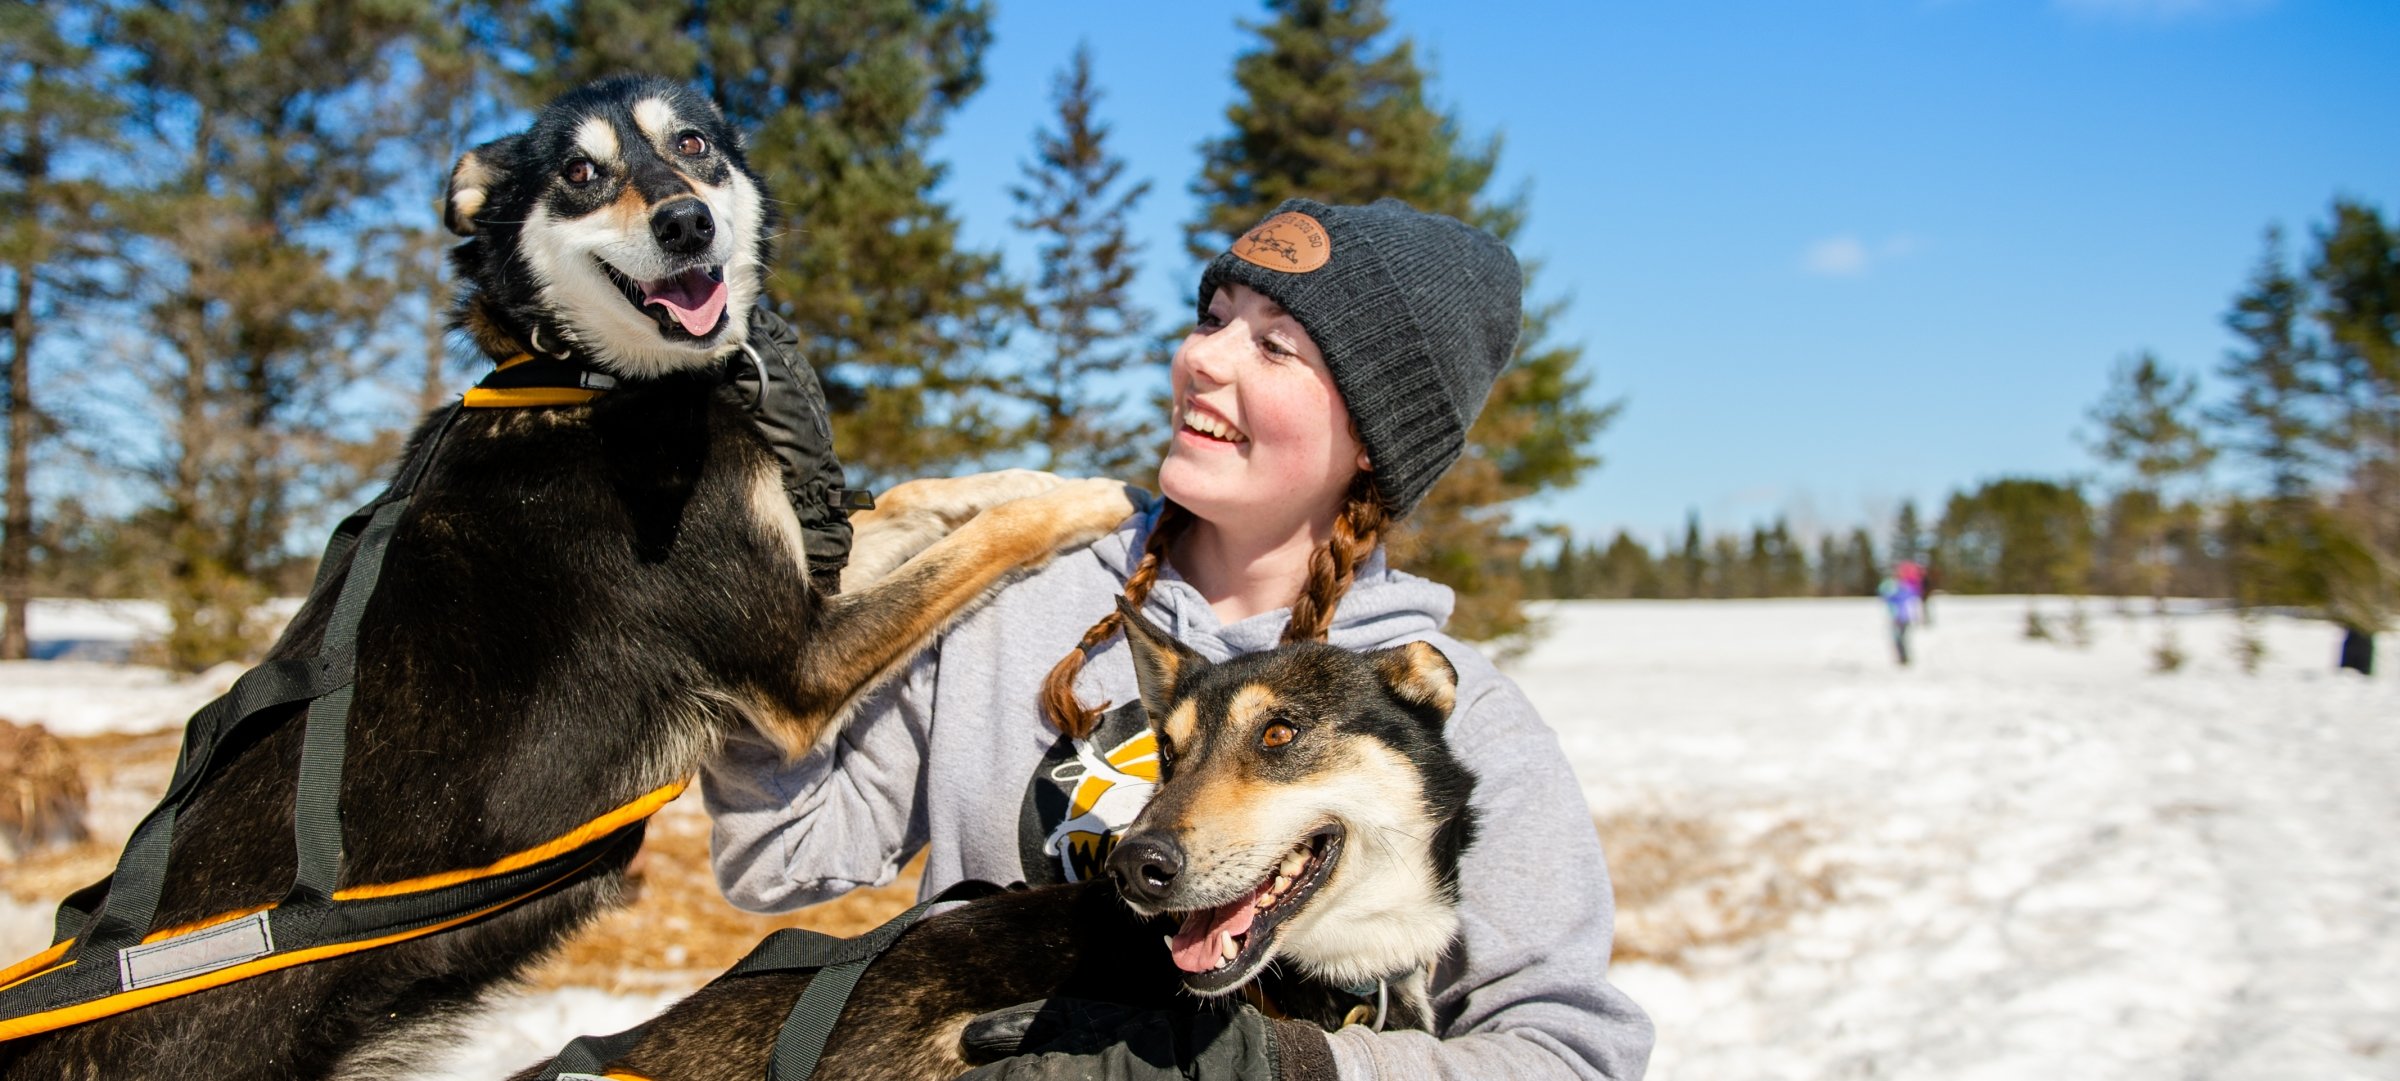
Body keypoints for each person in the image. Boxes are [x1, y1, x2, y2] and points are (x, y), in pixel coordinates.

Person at [705, 198, 1654, 1080]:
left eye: (1277, 347)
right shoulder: (1018, 584)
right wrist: (747, 604)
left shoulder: (1437, 707)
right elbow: (779, 852)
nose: (1206, 359)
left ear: (1374, 439)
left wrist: (1281, 1066)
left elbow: (1567, 1053)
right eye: (1213, 319)